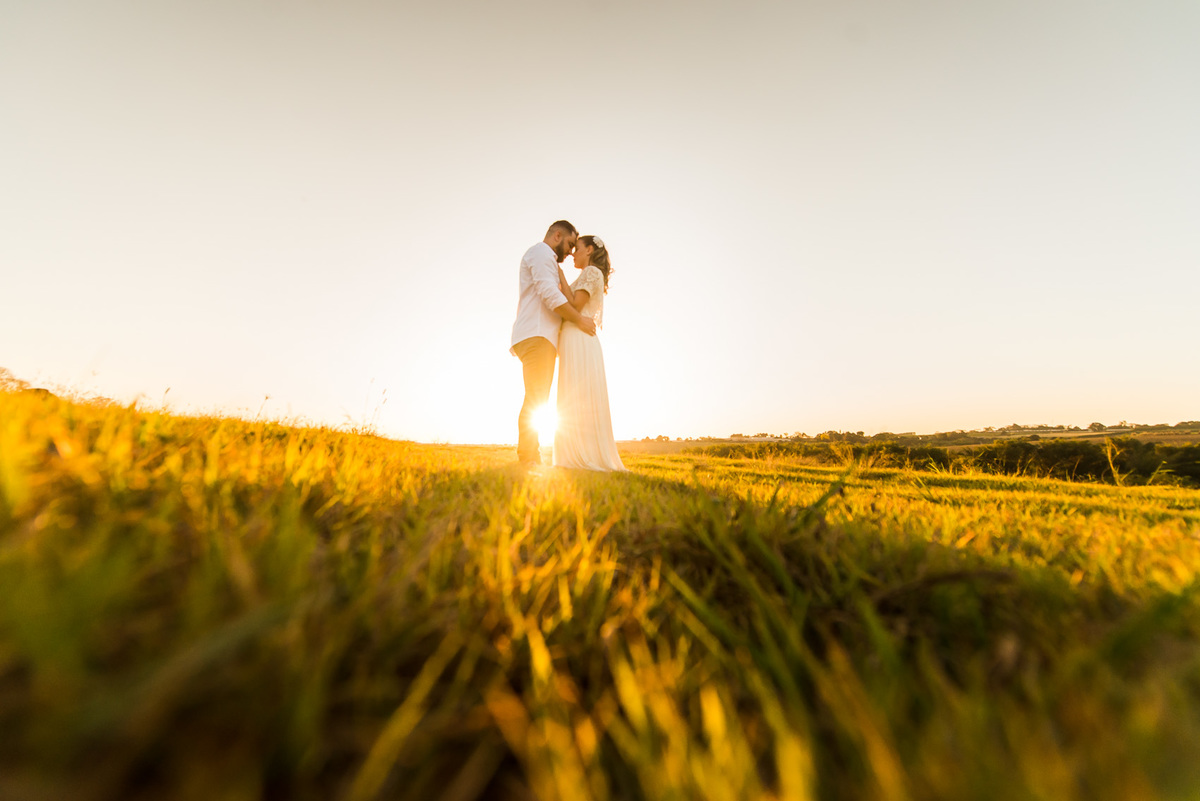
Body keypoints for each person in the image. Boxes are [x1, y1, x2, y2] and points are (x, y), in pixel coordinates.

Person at [510, 220, 596, 466]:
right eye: (569, 244)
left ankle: (529, 455)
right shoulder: (541, 253)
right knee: (536, 398)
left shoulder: (545, 258)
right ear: (557, 235)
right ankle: (528, 457)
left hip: (540, 336)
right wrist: (578, 319)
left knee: (537, 397)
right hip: (536, 335)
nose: (570, 252)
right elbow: (548, 293)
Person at [552, 235, 626, 472]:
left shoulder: (592, 273)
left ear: (590, 250)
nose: (573, 253)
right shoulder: (587, 274)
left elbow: (574, 306)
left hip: (579, 338)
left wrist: (558, 272)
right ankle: (575, 453)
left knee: (579, 396)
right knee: (573, 395)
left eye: (577, 249)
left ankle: (582, 455)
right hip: (574, 338)